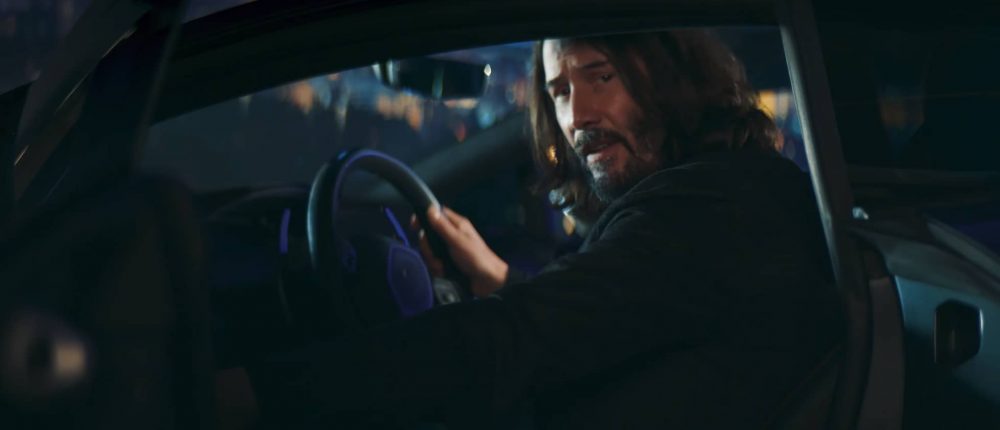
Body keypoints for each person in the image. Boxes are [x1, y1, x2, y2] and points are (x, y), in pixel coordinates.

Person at [253, 30, 844, 429]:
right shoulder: (719, 194)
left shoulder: (711, 206)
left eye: (601, 77)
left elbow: (508, 342)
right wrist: (499, 279)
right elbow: (602, 314)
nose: (577, 115)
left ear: (669, 77)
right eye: (560, 91)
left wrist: (259, 395)